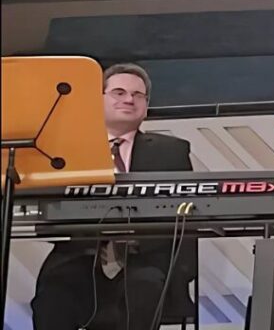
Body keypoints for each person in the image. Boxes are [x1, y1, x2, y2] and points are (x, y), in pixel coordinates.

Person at [31, 62, 194, 330]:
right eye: (119, 92)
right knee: (53, 296)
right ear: (99, 100)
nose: (129, 99)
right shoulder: (67, 151)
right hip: (80, 255)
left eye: (138, 95)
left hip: (143, 257)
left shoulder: (172, 151)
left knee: (143, 290)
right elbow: (48, 211)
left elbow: (185, 212)